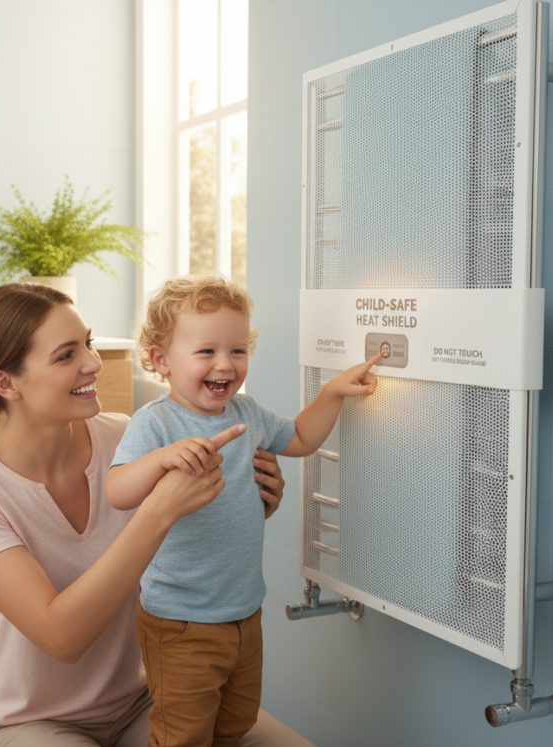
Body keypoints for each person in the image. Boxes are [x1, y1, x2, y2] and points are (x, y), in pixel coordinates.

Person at [0, 282, 288, 747]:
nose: (93, 363)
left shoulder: (128, 439)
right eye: (65, 355)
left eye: (89, 343)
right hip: (28, 721)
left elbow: (189, 542)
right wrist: (159, 511)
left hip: (145, 698)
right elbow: (61, 638)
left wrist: (249, 502)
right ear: (6, 383)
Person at [106, 275, 381, 747]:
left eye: (237, 350)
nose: (225, 364)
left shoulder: (247, 413)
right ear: (160, 360)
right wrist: (161, 459)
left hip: (243, 614)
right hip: (180, 622)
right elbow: (118, 490)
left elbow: (299, 438)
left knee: (233, 727)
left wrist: (332, 392)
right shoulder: (157, 423)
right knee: (182, 735)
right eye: (206, 351)